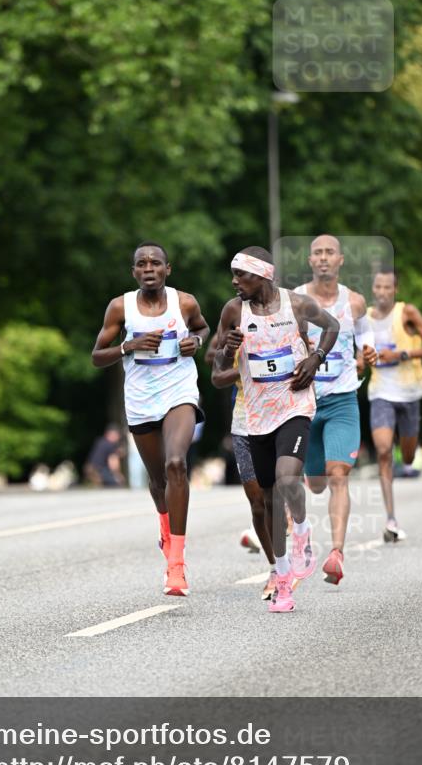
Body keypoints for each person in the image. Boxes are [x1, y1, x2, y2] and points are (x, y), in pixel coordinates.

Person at [212, 247, 338, 613]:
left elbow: (332, 326)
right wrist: (226, 349)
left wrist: (315, 359)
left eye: (242, 275)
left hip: (295, 406)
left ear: (264, 275)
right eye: (233, 275)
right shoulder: (233, 311)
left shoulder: (296, 304)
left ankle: (301, 529)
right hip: (256, 414)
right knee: (269, 499)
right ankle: (283, 580)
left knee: (287, 480)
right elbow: (218, 371)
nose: (235, 282)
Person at [91, 242, 210, 597]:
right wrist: (130, 345)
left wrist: (197, 343)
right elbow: (97, 356)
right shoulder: (120, 307)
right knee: (158, 480)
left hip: (179, 394)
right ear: (134, 272)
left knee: (177, 465)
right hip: (141, 400)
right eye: (141, 264)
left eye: (155, 263)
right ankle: (165, 526)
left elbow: (204, 329)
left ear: (167, 269)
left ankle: (176, 563)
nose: (148, 269)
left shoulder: (184, 302)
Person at [294, 235, 378, 585]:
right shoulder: (296, 300)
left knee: (338, 473)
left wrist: (368, 352)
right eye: (318, 253)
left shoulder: (354, 302)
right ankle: (303, 531)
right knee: (314, 484)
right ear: (310, 260)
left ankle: (336, 553)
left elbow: (365, 335)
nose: (324, 258)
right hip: (306, 401)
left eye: (330, 252)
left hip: (343, 399)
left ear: (341, 260)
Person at [366, 269, 422, 541]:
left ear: (395, 290)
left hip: (410, 394)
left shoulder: (407, 312)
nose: (382, 292)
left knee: (406, 457)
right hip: (381, 392)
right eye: (378, 287)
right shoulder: (367, 317)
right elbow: (361, 354)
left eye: (387, 287)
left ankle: (409, 452)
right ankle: (391, 519)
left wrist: (400, 354)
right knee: (384, 451)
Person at [206, 332, 277, 598]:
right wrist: (238, 364)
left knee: (275, 497)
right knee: (258, 504)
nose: (239, 287)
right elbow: (215, 372)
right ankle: (275, 567)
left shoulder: (286, 315)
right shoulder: (233, 319)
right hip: (244, 424)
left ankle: (285, 562)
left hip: (280, 420)